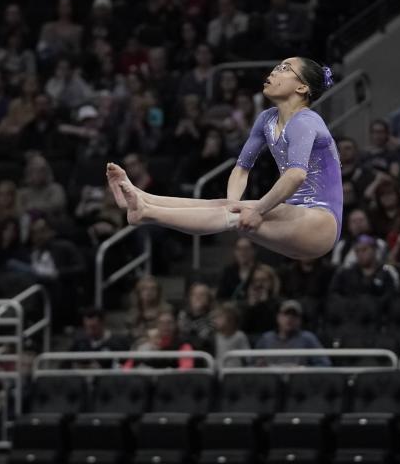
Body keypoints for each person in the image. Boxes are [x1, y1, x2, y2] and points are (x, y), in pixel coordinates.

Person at [108, 58, 342, 262]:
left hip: (320, 222)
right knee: (224, 207)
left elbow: (296, 175)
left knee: (232, 215)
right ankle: (141, 198)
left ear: (302, 87)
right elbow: (241, 169)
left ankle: (146, 213)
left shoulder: (305, 121)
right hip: (294, 223)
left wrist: (257, 210)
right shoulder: (267, 119)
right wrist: (232, 202)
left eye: (284, 68)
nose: (273, 72)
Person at [254, 300, 331, 366]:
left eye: (294, 315)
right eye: (286, 314)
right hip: (271, 381)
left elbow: (325, 364)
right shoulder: (266, 338)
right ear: (278, 317)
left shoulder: (307, 338)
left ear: (300, 320)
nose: (290, 318)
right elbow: (252, 365)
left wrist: (304, 370)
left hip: (299, 381)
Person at [212, 303, 250, 367]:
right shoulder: (215, 337)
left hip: (235, 372)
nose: (216, 320)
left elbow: (247, 357)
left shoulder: (239, 336)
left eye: (220, 317)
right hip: (219, 373)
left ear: (230, 319)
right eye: (216, 317)